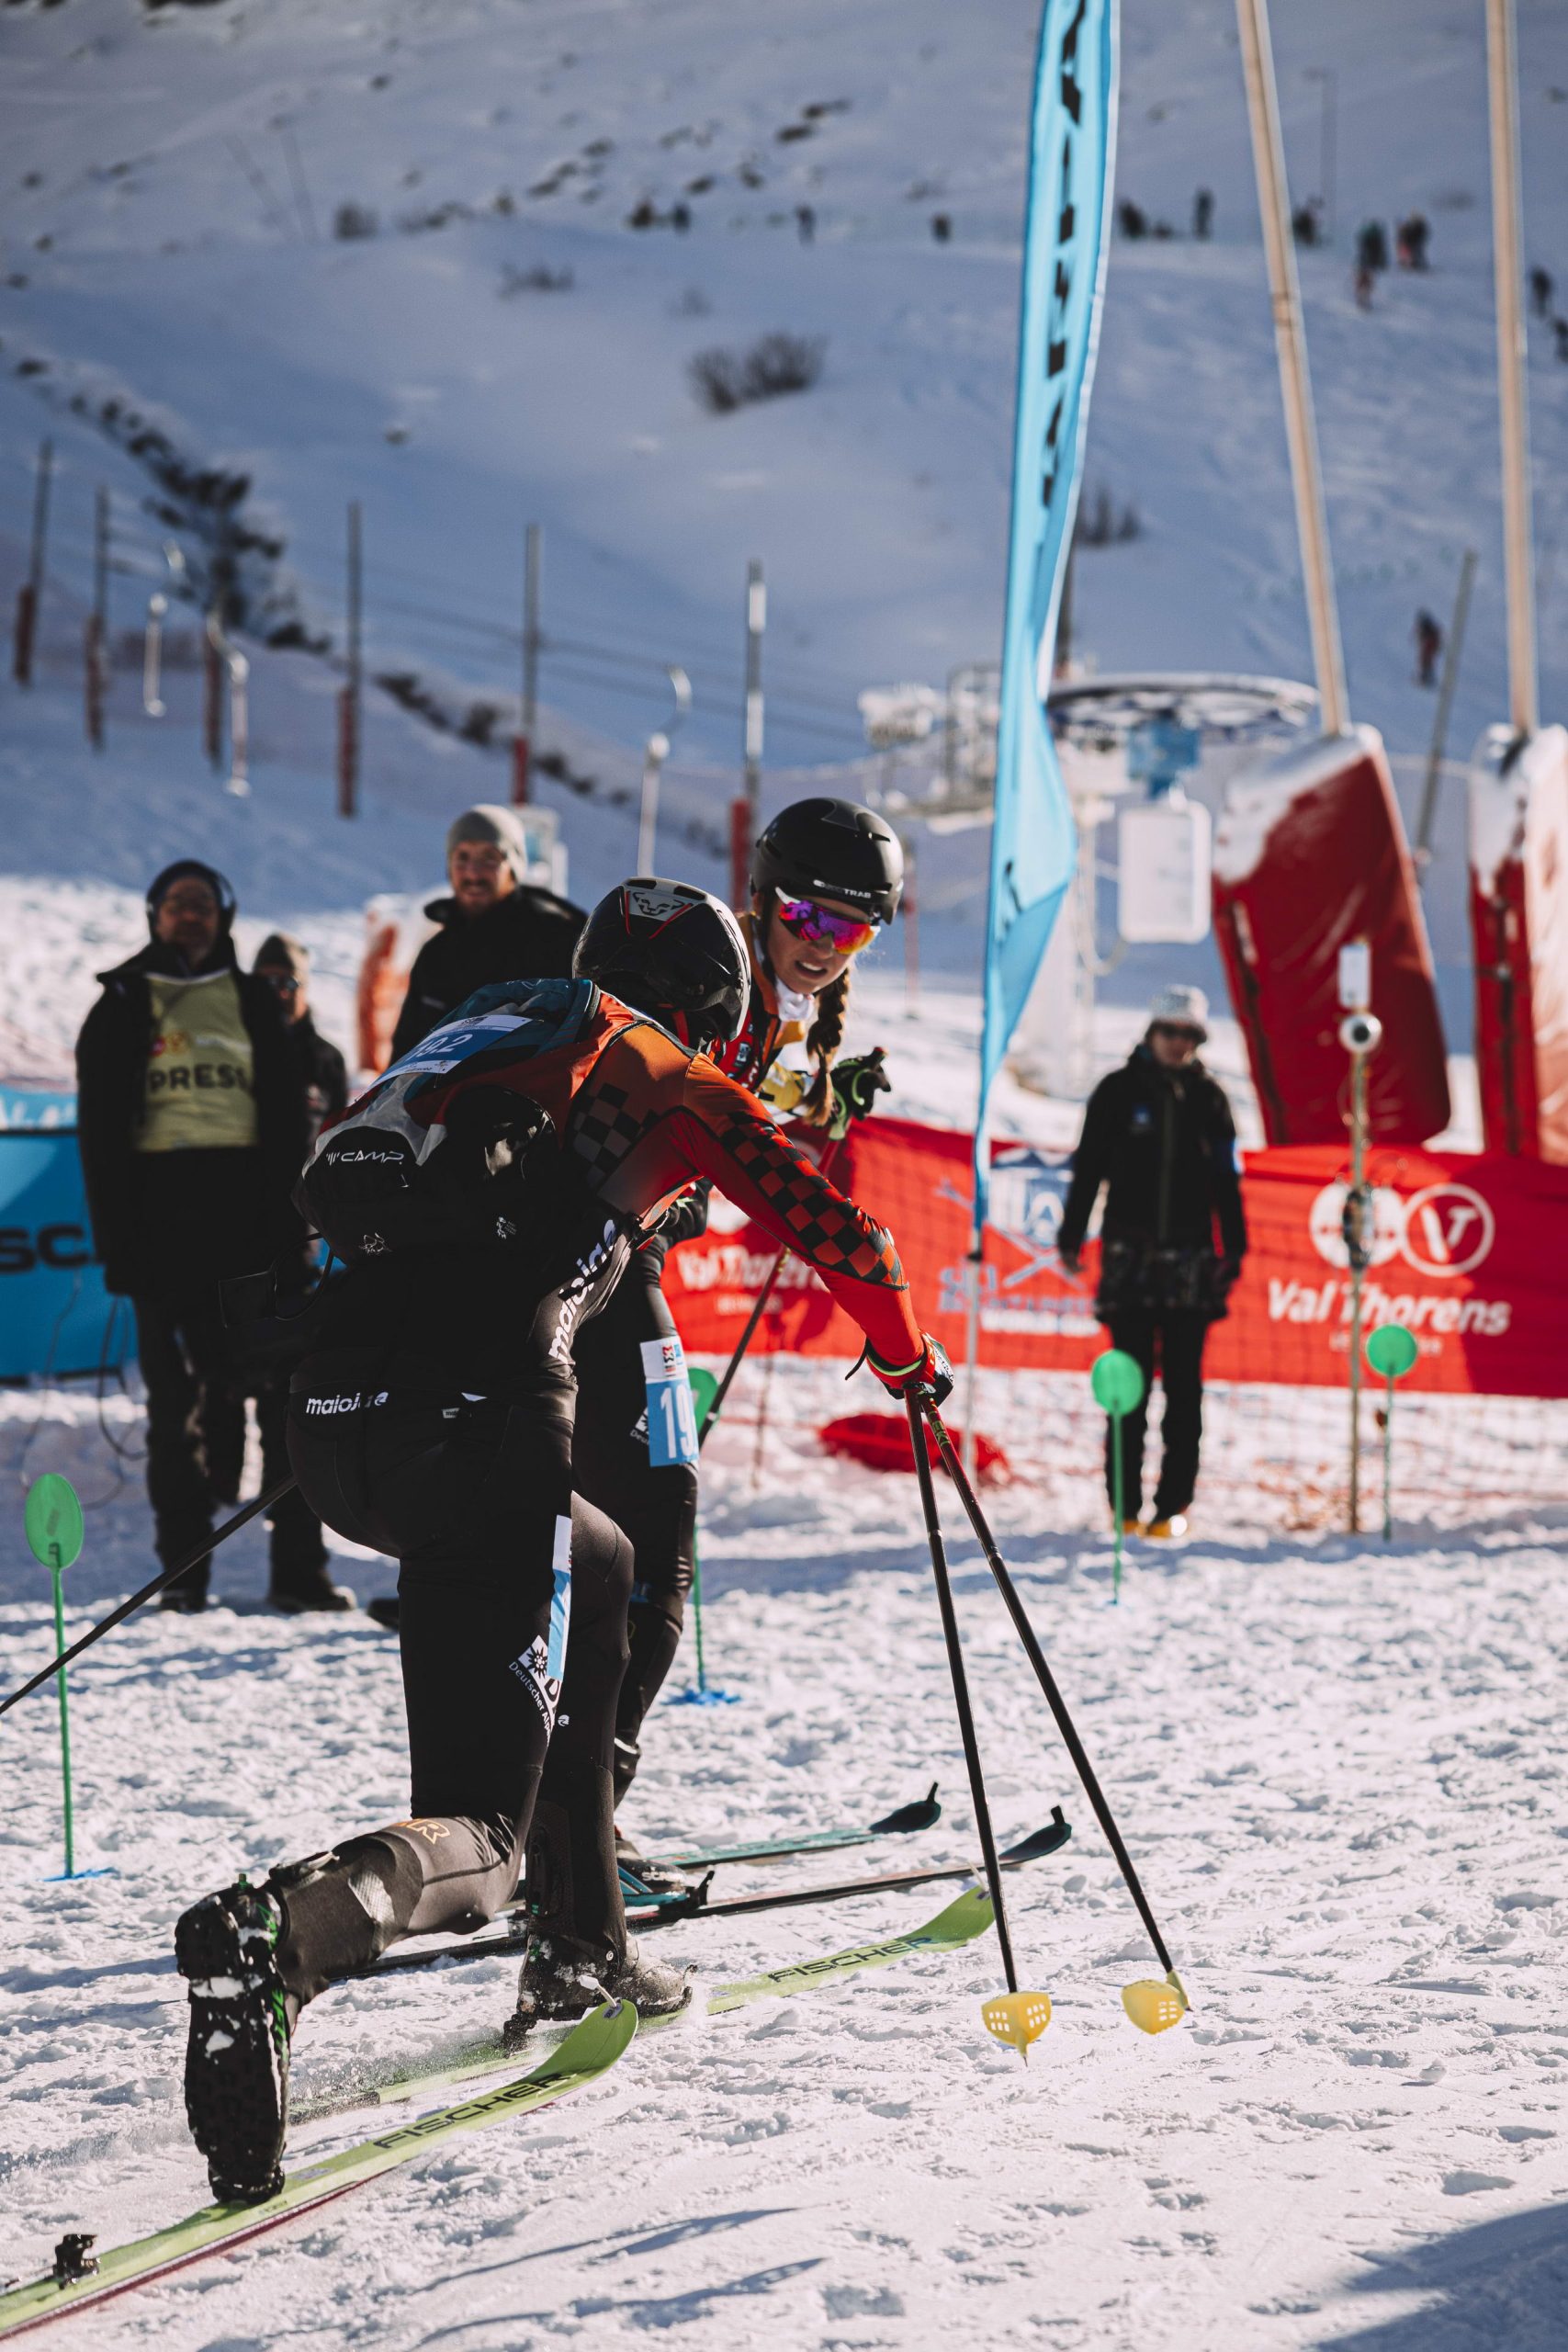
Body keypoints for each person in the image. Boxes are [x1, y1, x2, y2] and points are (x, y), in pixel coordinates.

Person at [174, 877, 949, 2204]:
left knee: (607, 1576)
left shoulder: (480, 1030)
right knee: (489, 1826)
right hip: (481, 1428)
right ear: (708, 1012)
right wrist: (909, 1361)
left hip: (339, 1429)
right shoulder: (665, 1070)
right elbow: (833, 1225)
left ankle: (582, 1943)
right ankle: (280, 1939)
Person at [572, 798, 900, 1855]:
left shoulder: (766, 1002)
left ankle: (574, 1815)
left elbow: (753, 1084)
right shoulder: (708, 977)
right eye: (807, 915)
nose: (822, 944)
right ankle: (575, 1826)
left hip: (617, 1263)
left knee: (637, 1548)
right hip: (597, 1265)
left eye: (852, 931)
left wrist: (822, 1093)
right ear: (761, 900)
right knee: (655, 1544)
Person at [75, 862, 316, 1609]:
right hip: (160, 1228)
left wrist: (295, 1226)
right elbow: (98, 1132)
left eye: (204, 904)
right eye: (178, 904)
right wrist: (118, 1242)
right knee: (172, 1413)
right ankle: (183, 1580)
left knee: (285, 1402)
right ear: (154, 915)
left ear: (225, 917)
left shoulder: (250, 998)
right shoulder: (121, 1000)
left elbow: (288, 1117)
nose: (191, 915)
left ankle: (299, 1577)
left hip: (250, 1224)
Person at [1055, 985, 1246, 1539]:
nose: (1178, 1043)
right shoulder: (1115, 1091)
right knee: (1127, 1388)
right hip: (1128, 1261)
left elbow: (1228, 1180)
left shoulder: (1211, 1099)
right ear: (1150, 1032)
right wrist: (1072, 1234)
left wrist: (1234, 1248)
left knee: (1185, 1391)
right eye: (1170, 1031)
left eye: (1189, 1035)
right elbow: (1088, 1167)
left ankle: (1173, 1506)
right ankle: (1124, 1506)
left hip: (1191, 1262)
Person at [389, 804, 583, 1064]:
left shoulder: (556, 939)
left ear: (513, 866)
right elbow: (405, 1054)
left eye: (488, 858)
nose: (473, 873)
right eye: (462, 857)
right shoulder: (436, 953)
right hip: (440, 1102)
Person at [1414, 609, 1443, 688]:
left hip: (1430, 644)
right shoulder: (1427, 626)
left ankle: (1426, 678)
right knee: (1426, 661)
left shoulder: (1427, 626)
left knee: (1426, 661)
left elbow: (1426, 635)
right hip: (1430, 644)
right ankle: (1426, 677)